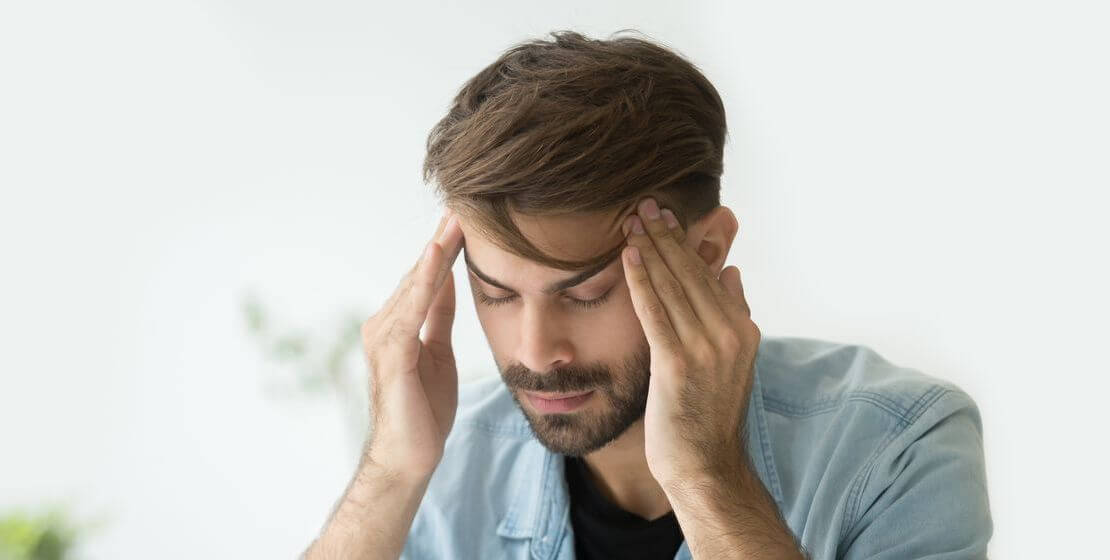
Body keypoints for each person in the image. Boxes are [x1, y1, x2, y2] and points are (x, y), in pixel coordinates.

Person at [303, 30, 992, 560]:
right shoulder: (448, 460)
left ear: (705, 254)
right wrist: (391, 475)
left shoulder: (899, 445)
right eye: (496, 294)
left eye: (588, 293)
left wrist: (706, 477)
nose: (536, 352)